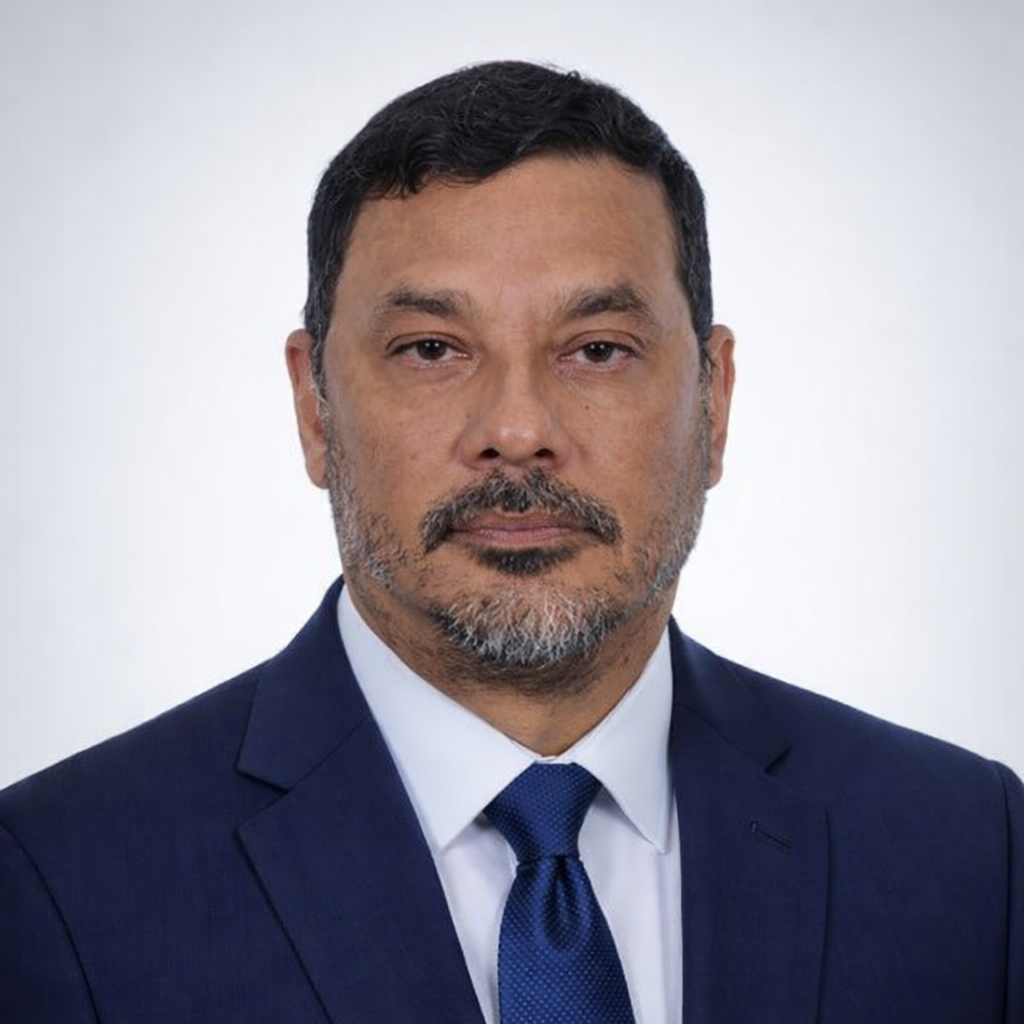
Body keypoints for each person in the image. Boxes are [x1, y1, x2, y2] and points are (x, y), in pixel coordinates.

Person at [0, 60, 1020, 1024]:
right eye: (431, 349)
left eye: (598, 349)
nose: (518, 427)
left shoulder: (970, 850)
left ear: (714, 405)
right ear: (315, 410)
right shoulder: (56, 881)